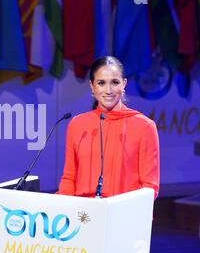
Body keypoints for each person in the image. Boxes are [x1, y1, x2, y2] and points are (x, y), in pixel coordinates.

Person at [56, 56, 160, 199]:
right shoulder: (77, 124)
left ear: (124, 84)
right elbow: (69, 177)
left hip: (124, 214)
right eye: (101, 83)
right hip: (83, 215)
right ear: (92, 86)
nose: (108, 90)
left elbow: (150, 186)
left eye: (115, 82)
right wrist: (62, 207)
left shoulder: (144, 126)